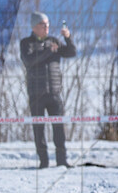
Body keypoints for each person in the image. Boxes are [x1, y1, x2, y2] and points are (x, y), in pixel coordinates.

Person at [20, 12, 76, 169]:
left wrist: (67, 37)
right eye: (43, 25)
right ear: (34, 27)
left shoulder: (54, 41)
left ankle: (61, 161)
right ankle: (43, 162)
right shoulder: (26, 43)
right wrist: (48, 51)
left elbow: (72, 53)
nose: (46, 28)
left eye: (48, 24)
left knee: (59, 128)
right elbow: (29, 61)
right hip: (36, 94)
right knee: (39, 129)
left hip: (54, 93)